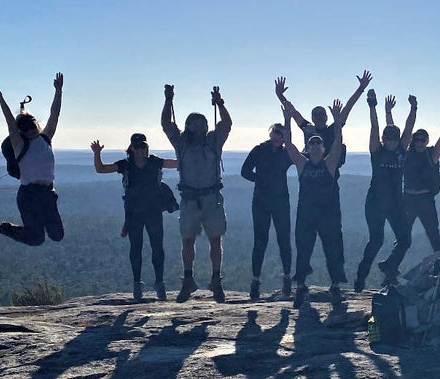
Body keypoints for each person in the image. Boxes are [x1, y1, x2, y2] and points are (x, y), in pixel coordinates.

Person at [0, 73, 65, 246]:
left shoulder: (45, 139)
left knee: (57, 235)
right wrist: (0, 97)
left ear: (36, 124)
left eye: (32, 125)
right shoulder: (19, 144)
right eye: (26, 128)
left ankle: (10, 225)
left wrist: (58, 90)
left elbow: (55, 114)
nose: (31, 130)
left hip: (47, 193)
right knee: (36, 238)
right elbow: (9, 121)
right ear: (21, 131)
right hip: (29, 195)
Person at [161, 84, 232, 303]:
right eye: (195, 123)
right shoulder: (182, 143)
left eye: (202, 123)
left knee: (213, 240)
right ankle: (190, 279)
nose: (199, 126)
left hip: (208, 197)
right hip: (193, 199)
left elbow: (227, 124)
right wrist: (168, 100)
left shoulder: (212, 141)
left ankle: (215, 279)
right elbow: (166, 125)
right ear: (189, 126)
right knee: (190, 240)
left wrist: (220, 103)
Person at [91, 134, 179, 301]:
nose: (140, 150)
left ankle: (159, 283)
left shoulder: (155, 162)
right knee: (136, 249)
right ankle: (137, 284)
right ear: (131, 148)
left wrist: (181, 148)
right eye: (137, 147)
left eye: (143, 146)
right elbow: (100, 169)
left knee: (157, 248)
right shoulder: (125, 165)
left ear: (147, 148)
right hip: (134, 213)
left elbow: (177, 164)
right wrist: (97, 153)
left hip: (152, 212)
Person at [379, 96, 440, 285]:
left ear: (426, 141)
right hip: (408, 200)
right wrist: (389, 112)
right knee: (403, 238)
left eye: (422, 139)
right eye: (417, 139)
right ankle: (390, 271)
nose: (419, 141)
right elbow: (394, 134)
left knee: (433, 235)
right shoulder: (406, 153)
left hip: (425, 201)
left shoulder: (432, 154)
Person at [280, 99, 347, 309]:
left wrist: (337, 122)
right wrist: (287, 120)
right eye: (312, 143)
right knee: (303, 250)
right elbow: (289, 144)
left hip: (328, 214)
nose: (316, 145)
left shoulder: (330, 163)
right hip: (306, 215)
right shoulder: (302, 164)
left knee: (332, 250)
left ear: (323, 147)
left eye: (319, 143)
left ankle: (335, 288)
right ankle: (301, 288)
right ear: (307, 147)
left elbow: (338, 143)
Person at [353, 92, 417, 292]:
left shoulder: (401, 150)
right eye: (388, 138)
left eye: (394, 138)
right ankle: (361, 275)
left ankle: (390, 267)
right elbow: (374, 127)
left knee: (405, 239)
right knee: (376, 240)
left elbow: (409, 128)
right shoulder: (377, 151)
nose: (391, 141)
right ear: (383, 139)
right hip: (375, 203)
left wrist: (414, 108)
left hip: (396, 203)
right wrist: (372, 106)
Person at [241, 121, 294, 301]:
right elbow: (244, 171)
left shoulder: (286, 153)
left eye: (282, 134)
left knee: (284, 240)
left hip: (280, 201)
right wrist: (260, 180)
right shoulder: (259, 149)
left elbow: (302, 159)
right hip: (262, 201)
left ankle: (287, 279)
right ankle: (255, 282)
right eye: (277, 132)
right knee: (260, 241)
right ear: (271, 133)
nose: (279, 136)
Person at [275, 71, 372, 164]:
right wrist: (280, 95)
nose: (319, 117)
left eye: (321, 114)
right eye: (316, 114)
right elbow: (293, 112)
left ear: (326, 117)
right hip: (309, 174)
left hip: (329, 175)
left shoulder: (333, 129)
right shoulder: (308, 128)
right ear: (312, 118)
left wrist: (361, 89)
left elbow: (348, 108)